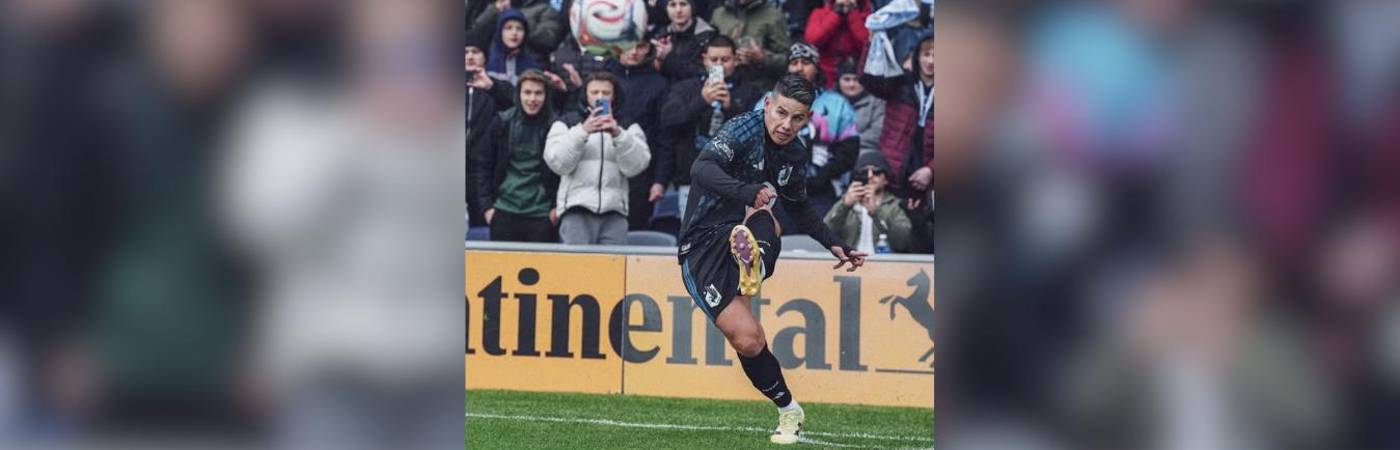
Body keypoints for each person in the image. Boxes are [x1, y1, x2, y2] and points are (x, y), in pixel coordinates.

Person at [677, 74, 867, 445]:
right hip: (701, 243)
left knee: (766, 216)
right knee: (748, 341)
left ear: (807, 117)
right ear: (767, 103)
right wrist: (748, 190)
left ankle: (756, 262)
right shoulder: (742, 128)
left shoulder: (794, 151)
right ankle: (789, 408)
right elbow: (701, 169)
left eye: (796, 118)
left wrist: (833, 243)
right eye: (780, 113)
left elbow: (799, 205)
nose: (786, 125)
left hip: (743, 229)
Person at [657, 35, 765, 220]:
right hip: (693, 179)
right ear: (704, 59)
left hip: (735, 181)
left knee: (731, 241)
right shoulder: (686, 89)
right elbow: (669, 121)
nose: (719, 65)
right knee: (693, 241)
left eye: (725, 59)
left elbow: (758, 134)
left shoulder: (750, 91)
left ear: (736, 60)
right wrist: (702, 101)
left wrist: (731, 108)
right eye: (714, 60)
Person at [755, 43, 861, 225]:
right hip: (777, 193)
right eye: (794, 62)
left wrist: (822, 175)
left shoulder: (837, 104)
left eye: (805, 62)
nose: (799, 68)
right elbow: (756, 143)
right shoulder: (769, 101)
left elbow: (849, 149)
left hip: (823, 192)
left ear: (817, 67)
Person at [544, 72, 652, 244]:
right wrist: (583, 131)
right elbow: (558, 163)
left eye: (606, 93)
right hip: (576, 210)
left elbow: (636, 166)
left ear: (614, 96)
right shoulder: (566, 122)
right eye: (594, 92)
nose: (600, 97)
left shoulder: (628, 126)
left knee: (613, 269)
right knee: (577, 269)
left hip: (614, 212)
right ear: (585, 94)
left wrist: (618, 135)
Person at [473, 70, 562, 242]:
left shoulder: (555, 125)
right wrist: (487, 208)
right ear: (518, 94)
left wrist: (557, 207)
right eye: (527, 92)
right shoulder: (502, 122)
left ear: (546, 95)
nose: (532, 99)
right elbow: (483, 165)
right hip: (504, 211)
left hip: (541, 214)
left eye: (538, 93)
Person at [607, 40, 673, 230]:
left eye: (641, 46)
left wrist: (660, 180)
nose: (634, 52)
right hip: (603, 169)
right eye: (629, 45)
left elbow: (664, 135)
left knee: (635, 235)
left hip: (642, 173)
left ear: (649, 49)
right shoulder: (604, 78)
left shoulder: (658, 84)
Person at [861, 34, 932, 202]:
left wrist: (931, 171)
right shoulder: (901, 83)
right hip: (893, 173)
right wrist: (871, 43)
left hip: (926, 178)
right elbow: (869, 80)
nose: (931, 62)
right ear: (917, 56)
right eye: (926, 54)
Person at [467, 34, 517, 227]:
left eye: (475, 52)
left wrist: (492, 87)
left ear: (485, 57)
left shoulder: (494, 85)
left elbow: (519, 105)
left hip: (483, 172)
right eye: (465, 52)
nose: (470, 56)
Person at [823, 152, 912, 253]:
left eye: (876, 172)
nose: (870, 176)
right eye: (864, 172)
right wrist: (844, 205)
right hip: (851, 265)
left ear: (886, 179)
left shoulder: (895, 205)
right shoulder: (847, 202)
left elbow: (902, 242)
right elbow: (825, 235)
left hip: (884, 265)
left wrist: (877, 213)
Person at [710, 0, 791, 89]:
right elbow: (706, 53)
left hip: (759, 89)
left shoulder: (773, 16)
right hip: (722, 87)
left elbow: (788, 62)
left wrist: (763, 58)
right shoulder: (719, 14)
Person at [803, 0, 871, 89]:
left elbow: (866, 44)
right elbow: (813, 40)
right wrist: (836, 14)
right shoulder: (819, 14)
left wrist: (853, 15)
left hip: (854, 78)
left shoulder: (868, 18)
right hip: (825, 76)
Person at [470, 0, 565, 64]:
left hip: (530, 67)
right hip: (497, 65)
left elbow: (549, 39)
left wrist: (517, 19)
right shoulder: (499, 6)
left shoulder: (545, 9)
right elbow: (477, 33)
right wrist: (495, 10)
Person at [653, 0, 719, 82]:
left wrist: (669, 57)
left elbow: (713, 74)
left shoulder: (710, 37)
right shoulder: (661, 35)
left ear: (692, 7)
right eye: (672, 5)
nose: (678, 10)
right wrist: (658, 60)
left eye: (683, 4)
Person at [835, 59, 886, 155]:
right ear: (839, 81)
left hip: (865, 152)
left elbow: (877, 133)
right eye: (847, 79)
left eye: (857, 80)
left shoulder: (877, 102)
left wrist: (848, 143)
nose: (851, 85)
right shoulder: (829, 101)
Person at [485, 10, 545, 85]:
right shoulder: (487, 61)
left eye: (519, 28)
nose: (514, 33)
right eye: (508, 28)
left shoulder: (533, 66)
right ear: (500, 32)